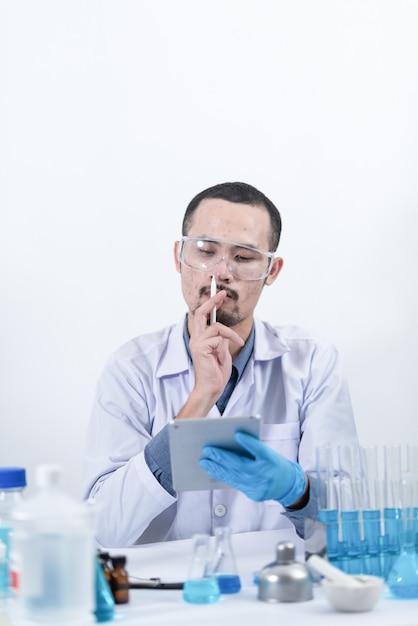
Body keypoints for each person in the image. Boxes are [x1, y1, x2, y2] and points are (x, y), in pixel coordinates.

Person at [83, 181, 359, 548]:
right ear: (178, 257)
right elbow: (101, 530)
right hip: (161, 594)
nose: (220, 273)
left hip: (277, 593)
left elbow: (348, 524)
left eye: (243, 258)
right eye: (205, 251)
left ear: (272, 271)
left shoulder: (313, 362)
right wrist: (199, 400)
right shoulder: (131, 369)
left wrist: (298, 491)